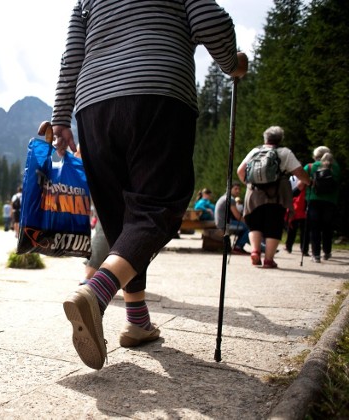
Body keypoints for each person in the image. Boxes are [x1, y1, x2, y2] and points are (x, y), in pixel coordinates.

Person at [50, 0, 248, 370]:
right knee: (158, 204)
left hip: (94, 106)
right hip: (157, 90)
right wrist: (231, 62)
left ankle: (137, 321)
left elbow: (72, 54)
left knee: (122, 223)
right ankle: (96, 292)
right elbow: (208, 19)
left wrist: (61, 115)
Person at [236, 126, 310, 268]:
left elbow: (240, 170)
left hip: (254, 193)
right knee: (274, 225)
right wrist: (309, 181)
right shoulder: (285, 152)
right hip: (277, 194)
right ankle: (269, 260)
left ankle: (255, 251)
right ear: (281, 138)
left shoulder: (256, 151)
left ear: (265, 138)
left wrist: (249, 183)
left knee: (255, 225)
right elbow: (299, 171)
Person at [304, 147, 341, 262]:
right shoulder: (336, 167)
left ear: (316, 156)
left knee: (314, 227)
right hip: (330, 201)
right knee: (327, 227)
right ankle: (327, 251)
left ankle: (316, 255)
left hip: (313, 200)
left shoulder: (310, 167)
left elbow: (302, 183)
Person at [214, 182, 250, 254]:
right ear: (229, 189)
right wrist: (248, 222)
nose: (238, 191)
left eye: (239, 189)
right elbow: (237, 216)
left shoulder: (224, 197)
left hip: (220, 223)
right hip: (225, 225)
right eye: (235, 189)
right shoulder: (230, 199)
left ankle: (239, 246)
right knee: (248, 228)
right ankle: (238, 247)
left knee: (243, 227)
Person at [284, 177, 308, 255]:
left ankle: (289, 247)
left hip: (297, 209)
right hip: (300, 209)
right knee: (303, 230)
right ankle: (304, 250)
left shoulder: (293, 181)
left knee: (293, 229)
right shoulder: (307, 185)